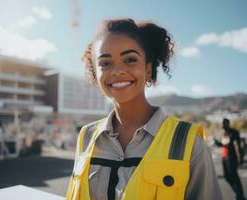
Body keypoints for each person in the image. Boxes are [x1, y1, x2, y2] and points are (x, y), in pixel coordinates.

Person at [66, 18, 222, 200]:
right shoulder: (86, 137)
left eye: (130, 59)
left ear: (148, 69)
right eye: (105, 63)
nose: (117, 70)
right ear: (95, 72)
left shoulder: (189, 144)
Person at [214, 118, 246, 200]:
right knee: (227, 177)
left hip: (232, 157)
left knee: (234, 176)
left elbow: (239, 146)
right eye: (222, 123)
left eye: (224, 123)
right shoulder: (223, 133)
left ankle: (240, 195)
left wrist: (241, 157)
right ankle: (238, 192)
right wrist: (216, 141)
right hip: (224, 157)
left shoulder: (234, 132)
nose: (222, 125)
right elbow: (223, 144)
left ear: (228, 123)